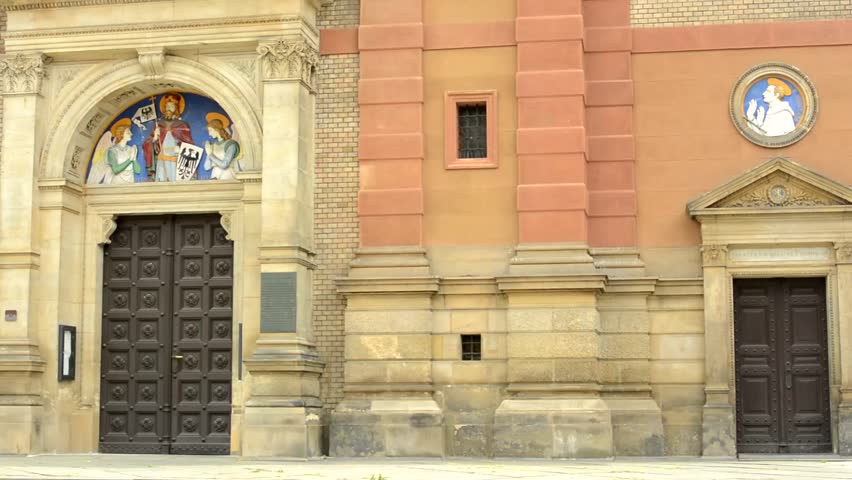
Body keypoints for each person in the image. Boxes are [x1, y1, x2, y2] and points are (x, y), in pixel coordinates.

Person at [142, 92, 194, 181]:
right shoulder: (159, 125)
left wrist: (181, 149)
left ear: (176, 108)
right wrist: (154, 138)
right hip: (162, 158)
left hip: (176, 158)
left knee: (175, 181)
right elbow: (148, 144)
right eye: (167, 106)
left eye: (171, 106)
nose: (168, 108)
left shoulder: (182, 125)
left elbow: (189, 145)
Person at [87, 118, 140, 185]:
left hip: (130, 183)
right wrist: (130, 159)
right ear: (121, 134)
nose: (131, 134)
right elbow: (115, 170)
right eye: (128, 132)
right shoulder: (112, 151)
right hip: (116, 184)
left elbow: (138, 170)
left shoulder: (130, 149)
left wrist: (134, 158)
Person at [203, 112, 241, 180]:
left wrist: (210, 154)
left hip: (227, 176)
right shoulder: (213, 146)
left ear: (217, 129)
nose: (209, 134)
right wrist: (208, 151)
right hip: (214, 176)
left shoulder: (231, 144)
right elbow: (207, 167)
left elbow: (224, 165)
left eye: (210, 130)